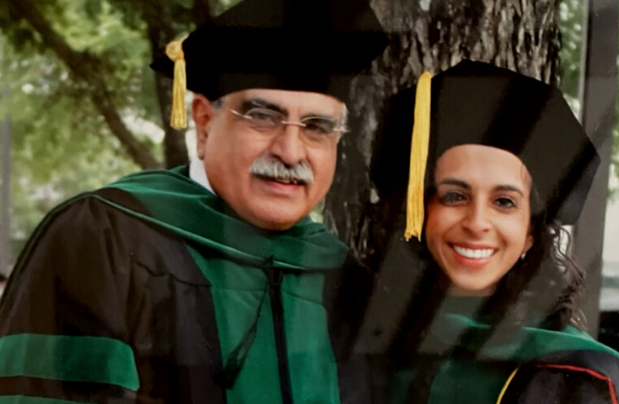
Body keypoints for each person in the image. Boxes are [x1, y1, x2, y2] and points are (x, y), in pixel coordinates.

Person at [0, 0, 387, 402]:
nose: (290, 152)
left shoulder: (347, 286)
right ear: (203, 123)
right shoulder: (106, 241)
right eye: (262, 117)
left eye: (317, 127)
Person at [368, 60, 619, 404]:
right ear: (421, 214)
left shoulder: (584, 377)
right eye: (454, 196)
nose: (477, 223)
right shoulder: (367, 354)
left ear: (530, 233)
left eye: (504, 201)